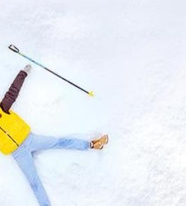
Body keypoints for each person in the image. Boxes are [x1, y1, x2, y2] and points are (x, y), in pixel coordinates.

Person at [0, 65, 109, 206]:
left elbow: (13, 91)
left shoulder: (3, 108)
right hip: (18, 153)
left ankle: (92, 145)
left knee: (59, 142)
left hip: (31, 140)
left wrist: (23, 73)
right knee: (34, 181)